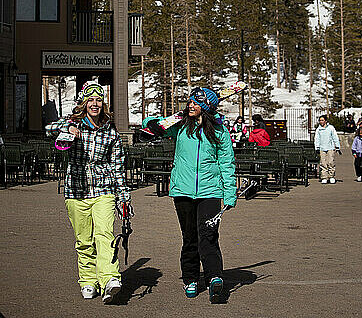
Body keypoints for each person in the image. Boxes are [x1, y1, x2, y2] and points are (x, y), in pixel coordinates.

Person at [142, 87, 236, 303]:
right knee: (190, 237)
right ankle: (191, 278)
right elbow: (149, 124)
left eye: (195, 102)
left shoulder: (220, 131)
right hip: (183, 191)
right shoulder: (181, 126)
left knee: (209, 236)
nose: (190, 104)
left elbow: (227, 163)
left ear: (205, 107)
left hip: (210, 191)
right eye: (190, 101)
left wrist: (230, 193)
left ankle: (214, 278)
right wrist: (155, 122)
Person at [45, 81, 132, 303]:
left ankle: (110, 279)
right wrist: (67, 129)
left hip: (103, 190)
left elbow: (117, 166)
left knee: (105, 235)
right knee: (84, 240)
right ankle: (88, 281)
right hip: (76, 191)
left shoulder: (110, 133)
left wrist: (124, 198)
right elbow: (49, 129)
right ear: (84, 103)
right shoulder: (73, 124)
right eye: (91, 100)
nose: (95, 104)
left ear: (104, 104)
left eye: (99, 100)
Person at [314, 115, 340, 184]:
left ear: (325, 121)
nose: (321, 122)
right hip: (322, 148)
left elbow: (335, 137)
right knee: (323, 163)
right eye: (320, 120)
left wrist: (337, 146)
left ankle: (331, 176)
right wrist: (317, 147)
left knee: (331, 162)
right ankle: (324, 177)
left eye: (322, 120)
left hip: (330, 147)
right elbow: (317, 139)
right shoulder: (318, 129)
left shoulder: (331, 128)